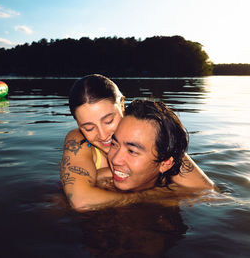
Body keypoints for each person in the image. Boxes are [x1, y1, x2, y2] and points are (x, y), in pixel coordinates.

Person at [60, 74, 213, 211]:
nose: (103, 135)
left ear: (121, 104)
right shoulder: (79, 141)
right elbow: (81, 201)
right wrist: (151, 196)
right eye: (88, 127)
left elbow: (205, 190)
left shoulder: (149, 132)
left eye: (109, 121)